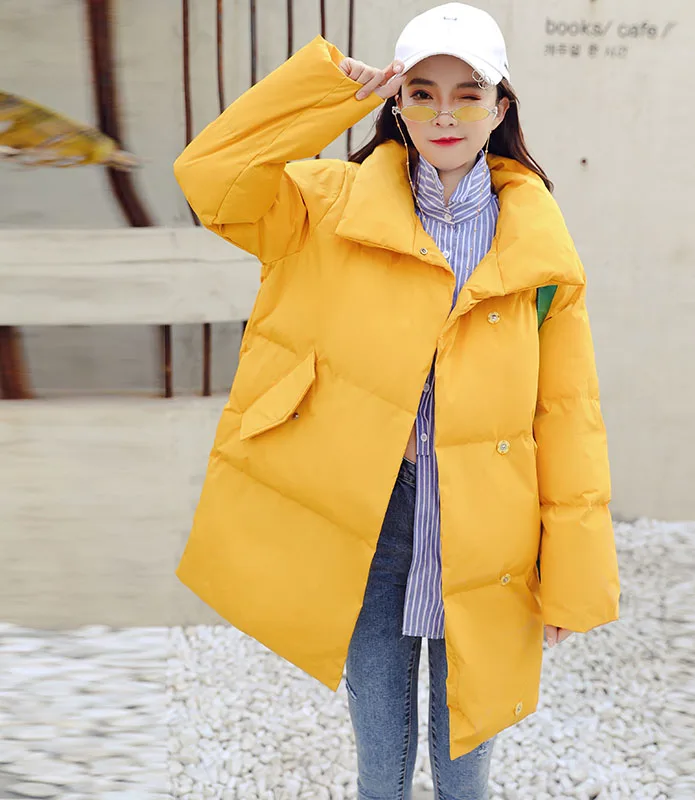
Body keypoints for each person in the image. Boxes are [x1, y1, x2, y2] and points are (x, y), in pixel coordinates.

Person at [173, 3, 620, 798]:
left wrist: (574, 572)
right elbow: (211, 177)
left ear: (501, 109)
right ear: (396, 104)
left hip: (487, 517)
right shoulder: (324, 205)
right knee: (380, 743)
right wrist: (324, 91)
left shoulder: (539, 246)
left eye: (468, 94)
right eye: (422, 93)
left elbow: (568, 412)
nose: (445, 115)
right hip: (369, 510)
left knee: (468, 740)